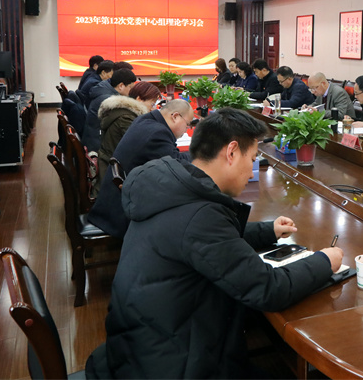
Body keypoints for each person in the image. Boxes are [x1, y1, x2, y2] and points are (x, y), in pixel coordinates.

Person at [86, 108, 343, 379]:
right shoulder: (200, 215)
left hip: (138, 345)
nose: (252, 171)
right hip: (171, 364)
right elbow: (269, 288)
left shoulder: (174, 187)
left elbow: (210, 242)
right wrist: (325, 261)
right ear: (231, 152)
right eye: (252, 159)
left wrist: (268, 231)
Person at [87, 99, 193, 238]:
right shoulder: (157, 133)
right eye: (187, 124)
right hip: (121, 215)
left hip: (113, 201)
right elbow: (177, 164)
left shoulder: (147, 120)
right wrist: (200, 154)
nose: (187, 129)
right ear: (175, 116)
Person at [93, 81, 161, 197]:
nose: (152, 108)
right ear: (139, 99)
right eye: (152, 104)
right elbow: (140, 148)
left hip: (111, 164)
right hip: (115, 174)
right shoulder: (127, 118)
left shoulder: (122, 111)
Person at [83, 68, 136, 152]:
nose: (132, 91)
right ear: (121, 86)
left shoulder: (104, 91)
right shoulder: (110, 101)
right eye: (130, 87)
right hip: (98, 147)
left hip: (94, 139)